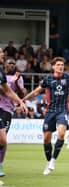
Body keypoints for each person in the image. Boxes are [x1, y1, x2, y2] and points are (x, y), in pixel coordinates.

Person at [22, 57, 69, 175]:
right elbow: (36, 91)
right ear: (53, 67)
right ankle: (48, 161)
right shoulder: (48, 78)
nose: (61, 66)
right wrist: (23, 99)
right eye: (58, 65)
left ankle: (53, 160)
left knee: (61, 133)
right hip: (50, 111)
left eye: (62, 64)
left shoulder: (68, 77)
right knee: (46, 139)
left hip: (63, 110)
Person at [0, 48, 27, 177]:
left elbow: (21, 93)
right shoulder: (3, 75)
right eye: (9, 63)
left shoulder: (17, 78)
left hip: (7, 110)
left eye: (13, 64)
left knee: (2, 140)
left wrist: (16, 82)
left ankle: (0, 164)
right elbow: (4, 90)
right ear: (5, 65)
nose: (11, 65)